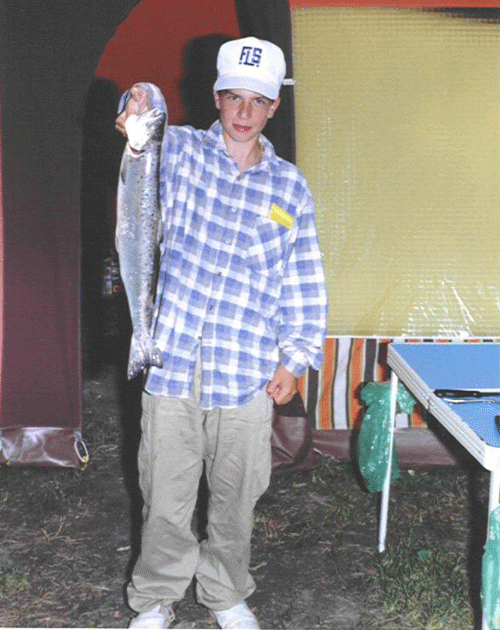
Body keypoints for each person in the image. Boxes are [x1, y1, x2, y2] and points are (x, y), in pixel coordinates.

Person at [115, 36, 328, 629]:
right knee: (165, 495)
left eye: (256, 101)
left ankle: (225, 592)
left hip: (247, 371)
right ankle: (156, 599)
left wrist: (296, 358)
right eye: (232, 97)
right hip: (172, 357)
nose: (242, 112)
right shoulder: (175, 151)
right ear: (215, 96)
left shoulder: (290, 188)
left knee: (237, 498)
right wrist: (140, 100)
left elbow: (303, 280)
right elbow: (143, 113)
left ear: (272, 108)